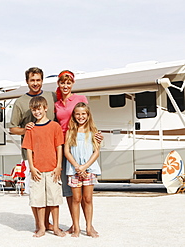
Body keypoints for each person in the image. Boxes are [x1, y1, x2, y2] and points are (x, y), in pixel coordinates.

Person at [54, 70, 103, 234]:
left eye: (68, 82)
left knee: (87, 197)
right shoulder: (57, 103)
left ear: (73, 83)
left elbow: (89, 118)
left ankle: (89, 226)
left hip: (85, 154)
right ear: (59, 84)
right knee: (71, 194)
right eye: (62, 82)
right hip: (67, 148)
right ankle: (75, 225)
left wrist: (97, 135)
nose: (66, 85)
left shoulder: (80, 99)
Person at [9, 67, 56, 232]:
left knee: (50, 190)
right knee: (36, 192)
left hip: (51, 154)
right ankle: (39, 224)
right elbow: (12, 128)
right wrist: (26, 130)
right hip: (31, 155)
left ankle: (48, 222)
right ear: (27, 81)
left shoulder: (52, 96)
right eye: (32, 80)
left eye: (38, 80)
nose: (35, 83)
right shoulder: (20, 102)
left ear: (42, 80)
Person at [21, 96, 65, 238]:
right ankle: (41, 227)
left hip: (53, 170)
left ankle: (56, 227)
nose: (37, 112)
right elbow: (28, 149)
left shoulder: (55, 126)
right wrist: (32, 168)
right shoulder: (31, 129)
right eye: (34, 110)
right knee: (38, 201)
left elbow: (59, 147)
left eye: (39, 109)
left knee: (54, 200)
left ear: (45, 108)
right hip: (37, 171)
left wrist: (58, 166)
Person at [64, 102, 101, 238]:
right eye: (78, 114)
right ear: (74, 115)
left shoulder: (93, 131)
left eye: (83, 114)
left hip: (89, 169)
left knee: (88, 199)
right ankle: (77, 228)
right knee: (76, 199)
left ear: (88, 115)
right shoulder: (70, 131)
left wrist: (84, 167)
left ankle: (89, 227)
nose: (80, 116)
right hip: (74, 170)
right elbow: (67, 152)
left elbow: (96, 152)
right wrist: (77, 167)